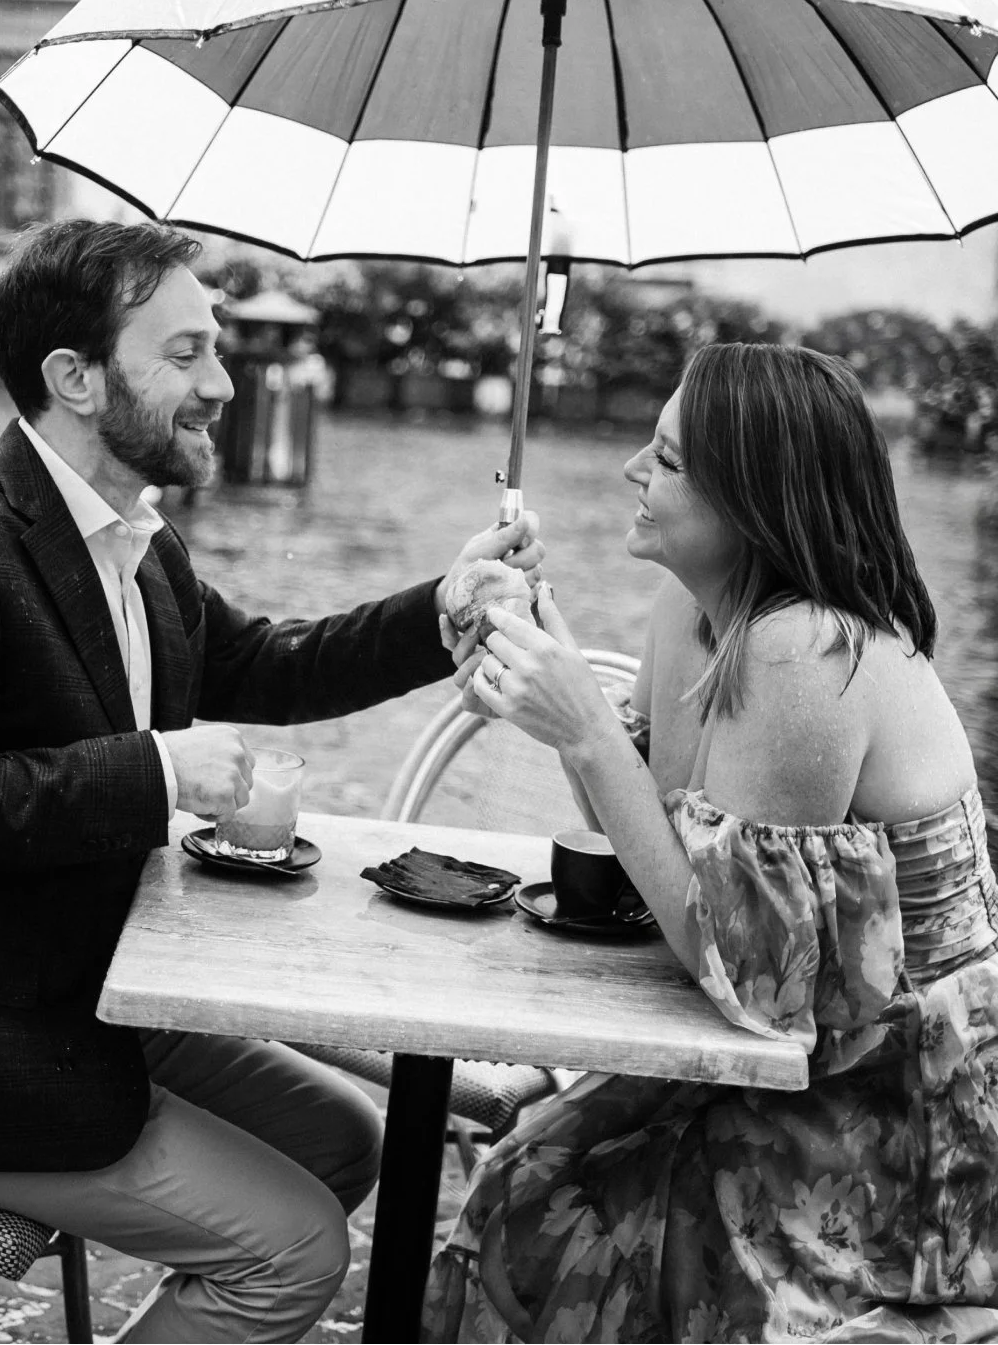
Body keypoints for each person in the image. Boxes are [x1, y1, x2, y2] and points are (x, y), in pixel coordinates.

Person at [0, 218, 545, 1344]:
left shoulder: (137, 541)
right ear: (75, 376)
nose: (224, 381)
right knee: (294, 1247)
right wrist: (156, 769)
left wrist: (438, 604)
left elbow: (265, 663)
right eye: (186, 351)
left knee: (347, 1140)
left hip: (99, 995)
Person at [424, 342, 998, 1344]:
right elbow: (650, 846)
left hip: (895, 1123)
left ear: (755, 499)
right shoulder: (690, 608)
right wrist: (535, 648)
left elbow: (751, 983)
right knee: (526, 1178)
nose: (628, 473)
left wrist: (586, 728)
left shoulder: (804, 649)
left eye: (668, 459)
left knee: (575, 1223)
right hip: (784, 1061)